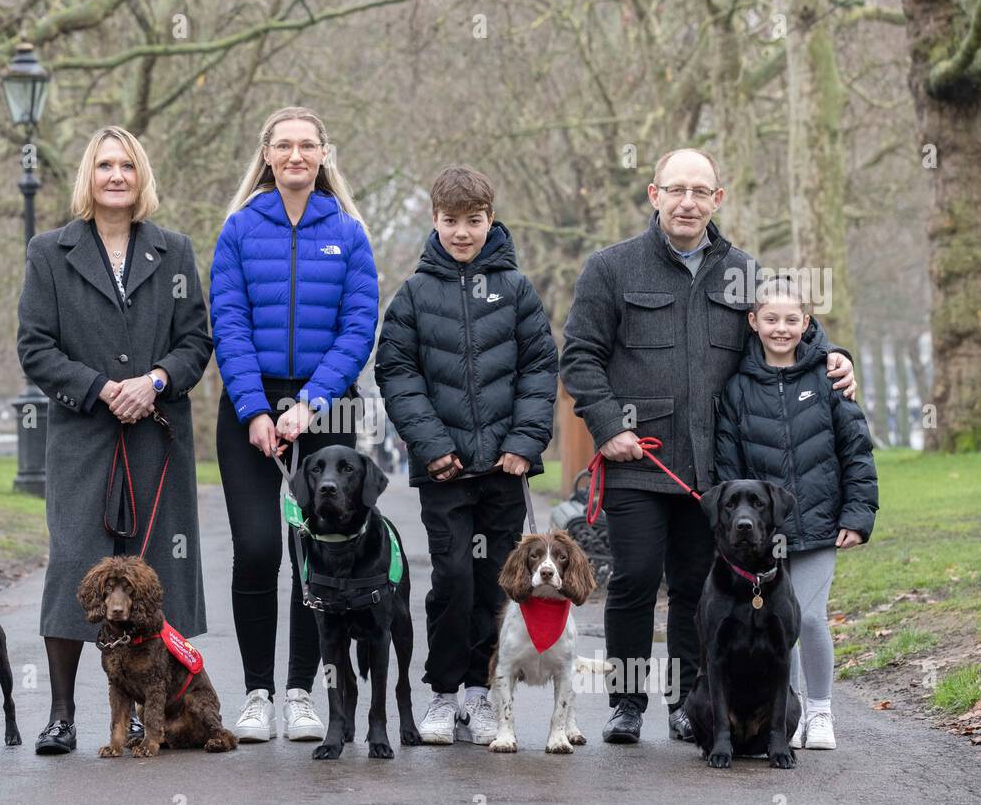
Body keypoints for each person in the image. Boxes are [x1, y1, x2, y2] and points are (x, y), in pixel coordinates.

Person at [560, 148, 859, 745]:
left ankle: (690, 703)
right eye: (677, 190)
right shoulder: (611, 268)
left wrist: (833, 355)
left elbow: (790, 324)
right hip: (638, 459)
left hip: (715, 474)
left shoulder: (743, 271)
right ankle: (624, 703)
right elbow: (580, 356)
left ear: (717, 199)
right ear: (654, 194)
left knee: (699, 586)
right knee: (637, 579)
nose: (688, 201)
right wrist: (606, 425)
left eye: (701, 191)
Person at [17, 126, 212, 755]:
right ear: (88, 176)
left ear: (141, 175)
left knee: (154, 570)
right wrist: (103, 387)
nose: (116, 175)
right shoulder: (50, 252)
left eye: (127, 164)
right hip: (83, 434)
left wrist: (154, 381)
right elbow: (35, 347)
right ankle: (63, 714)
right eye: (104, 165)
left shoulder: (174, 250)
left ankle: (158, 713)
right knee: (77, 561)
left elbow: (195, 342)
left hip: (156, 432)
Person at [210, 105, 379, 743]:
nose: (297, 156)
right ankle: (257, 693)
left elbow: (358, 326)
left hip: (328, 408)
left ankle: (305, 692)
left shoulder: (349, 231)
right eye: (285, 146)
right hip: (250, 408)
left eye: (308, 145)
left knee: (318, 553)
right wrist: (256, 409)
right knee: (257, 549)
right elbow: (228, 321)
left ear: (324, 154)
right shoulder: (238, 229)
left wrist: (310, 404)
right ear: (268, 154)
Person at [375, 165, 557, 745]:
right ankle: (444, 692)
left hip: (505, 471)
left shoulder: (517, 289)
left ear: (490, 220)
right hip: (445, 473)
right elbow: (397, 373)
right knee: (451, 579)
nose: (462, 233)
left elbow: (538, 368)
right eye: (451, 221)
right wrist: (432, 449)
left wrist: (523, 444)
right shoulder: (413, 294)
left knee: (495, 581)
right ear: (435, 220)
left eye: (473, 222)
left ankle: (483, 694)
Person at [714, 276, 878, 750]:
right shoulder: (738, 388)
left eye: (791, 319)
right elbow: (729, 468)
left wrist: (858, 513)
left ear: (806, 322)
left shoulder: (828, 377)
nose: (781, 328)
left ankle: (821, 711)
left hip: (820, 523)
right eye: (770, 319)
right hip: (759, 539)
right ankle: (779, 713)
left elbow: (856, 451)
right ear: (753, 322)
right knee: (768, 624)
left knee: (807, 618)